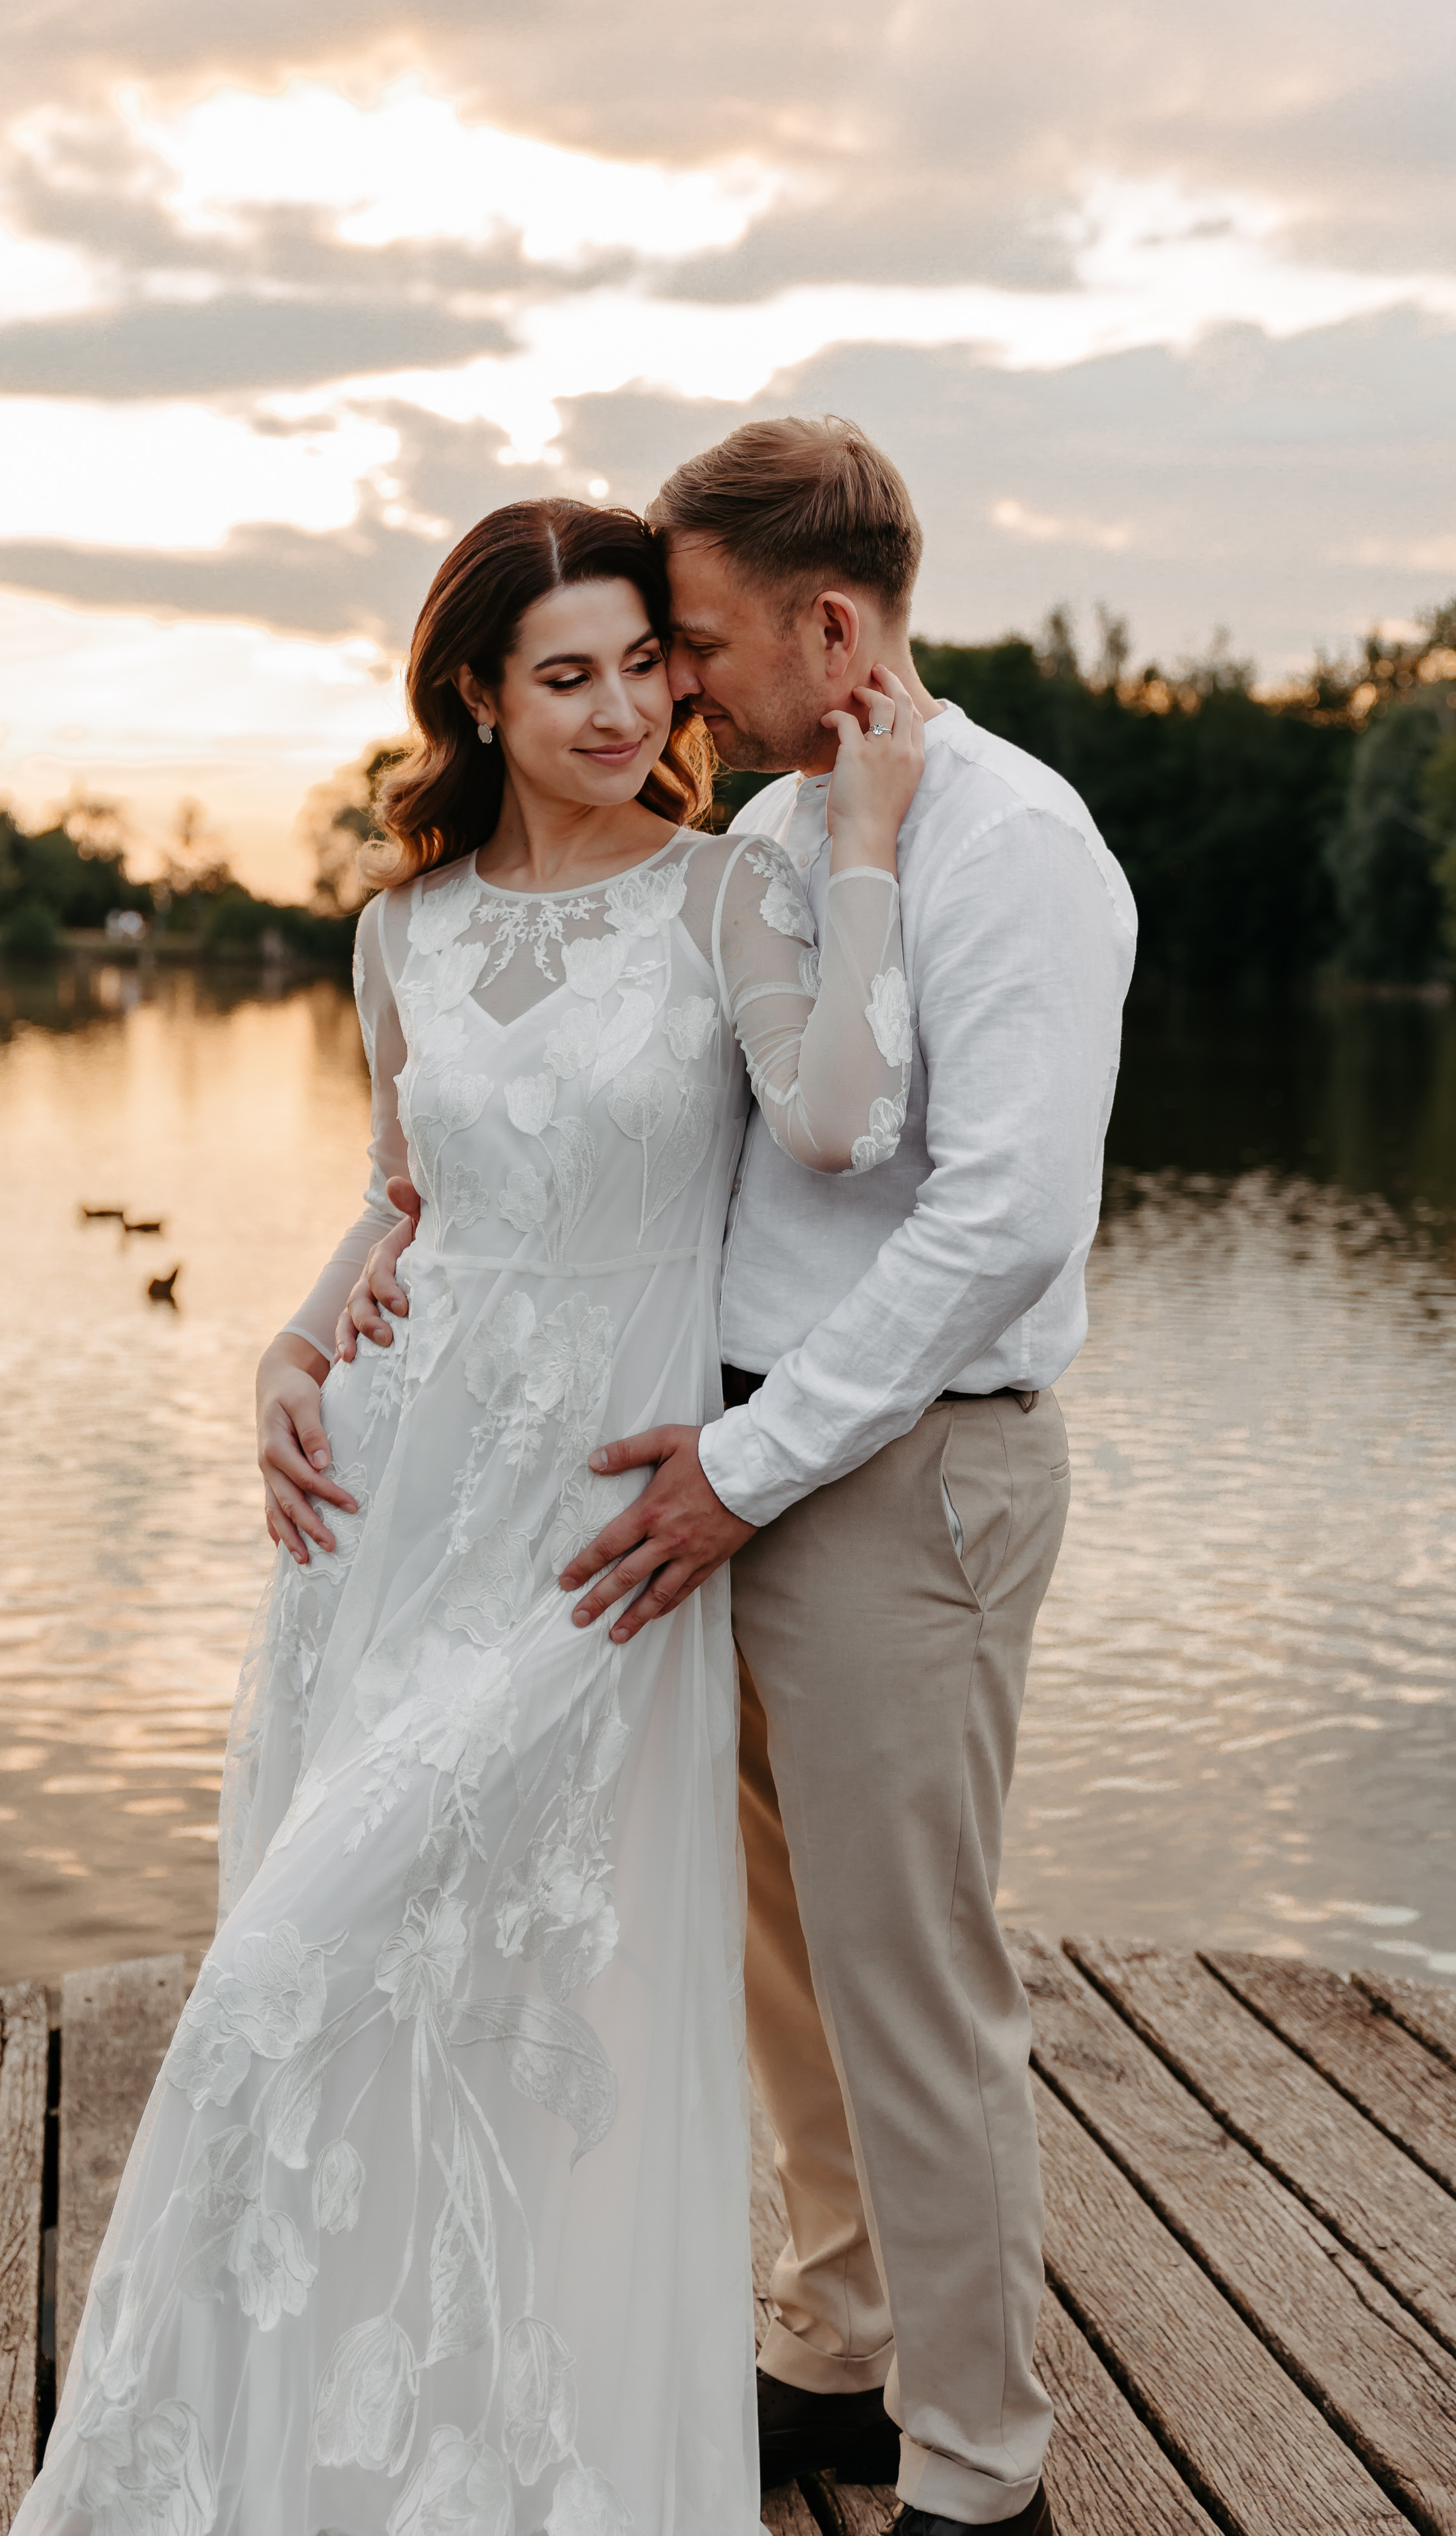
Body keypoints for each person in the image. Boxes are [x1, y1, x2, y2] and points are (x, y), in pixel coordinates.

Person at [15, 496, 925, 2536]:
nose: (623, 708)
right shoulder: (401, 928)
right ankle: (346, 2469)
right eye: (567, 676)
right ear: (478, 700)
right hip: (384, 1517)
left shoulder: (726, 899)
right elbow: (394, 1201)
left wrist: (858, 855)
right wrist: (285, 1349)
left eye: (641, 665)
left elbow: (844, 1116)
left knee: (391, 1994)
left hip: (596, 1546)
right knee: (367, 1994)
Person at [342, 419, 1137, 2536]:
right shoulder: (791, 824)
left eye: (691, 646)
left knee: (912, 1978)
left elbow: (1001, 1227)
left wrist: (756, 1463)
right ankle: (837, 2352)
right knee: (786, 1961)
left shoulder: (1014, 846)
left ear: (834, 625)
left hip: (895, 1479)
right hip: (741, 1468)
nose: (673, 692)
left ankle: (982, 2470)